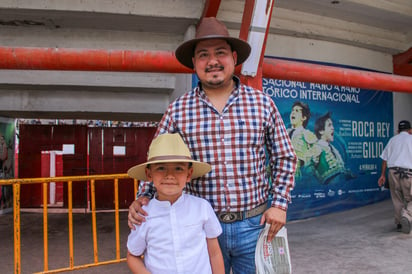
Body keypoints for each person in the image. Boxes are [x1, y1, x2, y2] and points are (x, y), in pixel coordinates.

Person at [128, 17, 297, 274]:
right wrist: (143, 196)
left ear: (234, 57)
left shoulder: (263, 104)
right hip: (199, 228)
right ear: (194, 63)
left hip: (254, 225)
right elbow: (157, 158)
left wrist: (280, 204)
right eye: (203, 55)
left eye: (220, 53)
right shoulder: (178, 110)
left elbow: (284, 156)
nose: (212, 61)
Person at [126, 133, 224, 273]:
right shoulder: (143, 215)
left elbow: (214, 253)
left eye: (178, 168)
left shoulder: (202, 208)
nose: (170, 175)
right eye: (161, 168)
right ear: (149, 174)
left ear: (189, 174)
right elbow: (132, 255)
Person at [378, 120, 412, 234]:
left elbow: (384, 159)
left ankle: (399, 222)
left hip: (393, 173)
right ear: (410, 130)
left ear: (398, 131)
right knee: (410, 198)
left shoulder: (392, 140)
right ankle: (407, 216)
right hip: (408, 173)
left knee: (397, 198)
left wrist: (382, 175)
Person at [287, 101, 317, 178]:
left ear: (304, 118)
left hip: (294, 173)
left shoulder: (307, 135)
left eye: (297, 111)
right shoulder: (284, 133)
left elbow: (315, 157)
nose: (293, 113)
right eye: (292, 110)